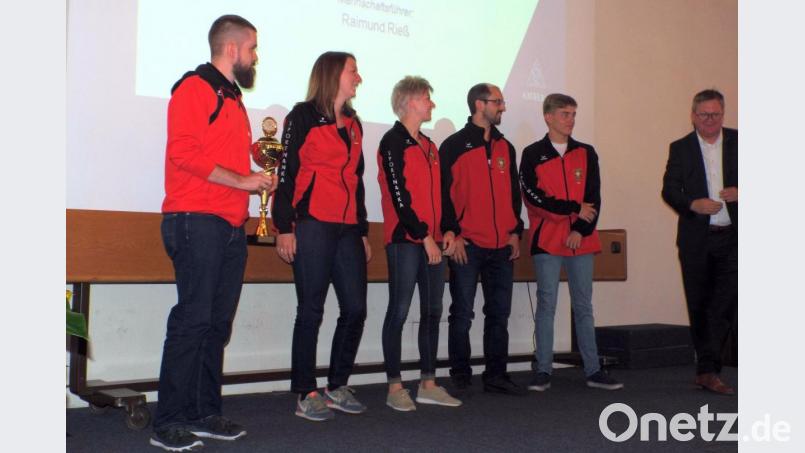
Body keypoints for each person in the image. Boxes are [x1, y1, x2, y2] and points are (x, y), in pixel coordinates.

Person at [153, 14, 276, 452]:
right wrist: (244, 181)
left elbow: (225, 158)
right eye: (253, 48)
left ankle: (204, 413)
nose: (255, 57)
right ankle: (167, 420)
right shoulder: (194, 88)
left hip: (229, 224)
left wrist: (257, 175)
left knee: (216, 325)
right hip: (195, 220)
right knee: (193, 320)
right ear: (232, 48)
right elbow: (183, 154)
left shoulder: (233, 99)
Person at [272, 51, 371, 421]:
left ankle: (337, 384)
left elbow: (356, 180)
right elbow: (286, 174)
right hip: (312, 222)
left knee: (355, 308)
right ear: (333, 75)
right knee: (311, 310)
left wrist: (362, 229)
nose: (358, 78)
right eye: (353, 71)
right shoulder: (302, 116)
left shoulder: (355, 124)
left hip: (348, 228)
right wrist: (284, 227)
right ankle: (305, 391)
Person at [519, 93, 623, 392]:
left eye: (573, 114)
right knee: (547, 304)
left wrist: (579, 228)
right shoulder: (532, 153)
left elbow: (594, 198)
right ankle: (543, 370)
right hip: (547, 240)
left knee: (584, 306)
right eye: (565, 114)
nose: (571, 119)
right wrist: (573, 208)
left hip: (582, 240)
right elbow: (534, 198)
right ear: (548, 116)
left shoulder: (586, 152)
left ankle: (593, 370)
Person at [377, 76, 462, 411]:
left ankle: (428, 383)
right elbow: (400, 197)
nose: (432, 104)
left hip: (434, 241)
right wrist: (425, 236)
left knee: (432, 311)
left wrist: (449, 230)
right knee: (399, 310)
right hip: (406, 240)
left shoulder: (430, 146)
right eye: (427, 98)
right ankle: (395, 386)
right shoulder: (391, 142)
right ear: (410, 101)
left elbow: (443, 193)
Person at [440, 83, 526, 396]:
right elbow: (443, 196)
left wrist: (515, 232)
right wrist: (453, 233)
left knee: (499, 314)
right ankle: (461, 374)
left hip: (501, 245)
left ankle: (496, 375)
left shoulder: (506, 148)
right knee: (462, 313)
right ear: (479, 104)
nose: (502, 107)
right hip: (468, 244)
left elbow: (514, 196)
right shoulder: (453, 146)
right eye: (497, 102)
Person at [662, 89, 737, 395]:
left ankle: (710, 368)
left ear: (723, 114)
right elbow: (669, 190)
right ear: (693, 116)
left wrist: (741, 192)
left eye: (716, 114)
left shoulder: (741, 142)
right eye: (704, 114)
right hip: (697, 239)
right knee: (699, 304)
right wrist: (693, 204)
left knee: (725, 305)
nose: (710, 120)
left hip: (733, 238)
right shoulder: (680, 148)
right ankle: (706, 370)